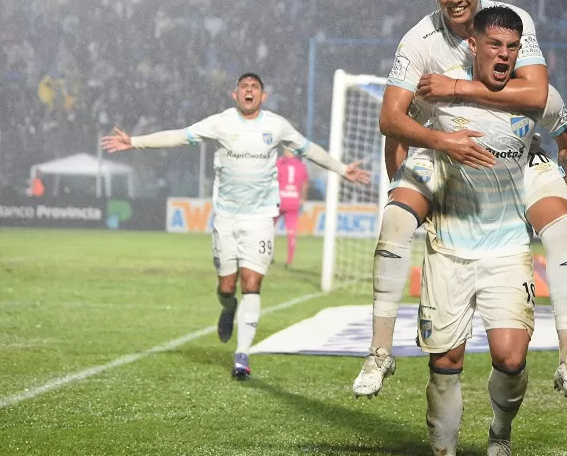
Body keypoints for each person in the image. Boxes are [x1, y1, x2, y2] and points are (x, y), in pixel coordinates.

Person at [354, 0, 567, 402]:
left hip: (520, 156)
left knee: (562, 229)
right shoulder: (418, 42)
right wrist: (409, 178)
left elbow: (539, 96)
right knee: (396, 219)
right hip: (444, 147)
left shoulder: (510, 22)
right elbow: (392, 121)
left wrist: (459, 87)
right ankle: (379, 351)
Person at [383, 7, 556, 456]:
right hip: (450, 250)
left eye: (512, 48)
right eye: (495, 46)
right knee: (445, 363)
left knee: (510, 358)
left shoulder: (529, 95)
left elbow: (564, 126)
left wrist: (559, 187)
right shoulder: (437, 91)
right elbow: (395, 125)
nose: (503, 55)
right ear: (474, 46)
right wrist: (399, 180)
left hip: (507, 249)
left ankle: (499, 438)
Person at [101, 72, 371, 380]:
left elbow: (308, 149)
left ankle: (242, 355)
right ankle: (228, 308)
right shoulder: (221, 123)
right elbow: (178, 135)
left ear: (262, 96)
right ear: (235, 94)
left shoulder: (276, 125)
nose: (249, 91)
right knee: (227, 287)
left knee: (252, 284)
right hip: (226, 218)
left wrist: (341, 168)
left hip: (260, 218)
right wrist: (134, 142)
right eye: (244, 87)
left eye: (255, 87)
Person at [277, 150, 309, 266]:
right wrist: (302, 198)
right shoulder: (301, 165)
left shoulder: (280, 163)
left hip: (279, 199)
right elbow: (305, 184)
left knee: (269, 228)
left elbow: (274, 180)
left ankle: (266, 256)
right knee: (291, 231)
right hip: (294, 200)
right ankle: (289, 260)